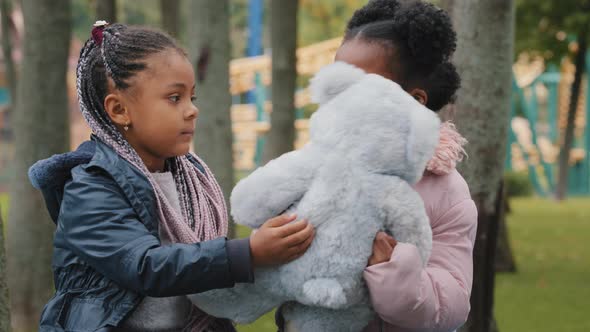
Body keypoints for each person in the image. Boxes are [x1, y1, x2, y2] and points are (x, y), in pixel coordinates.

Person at [30, 22, 314, 332]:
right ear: (120, 110)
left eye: (193, 97)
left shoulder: (190, 176)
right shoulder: (90, 187)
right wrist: (247, 253)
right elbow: (146, 267)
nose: (192, 110)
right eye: (174, 98)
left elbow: (200, 263)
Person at [276, 1, 478, 331]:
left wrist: (393, 273)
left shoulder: (446, 191)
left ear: (413, 101)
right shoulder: (317, 166)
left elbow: (450, 306)